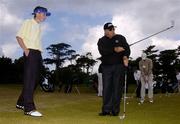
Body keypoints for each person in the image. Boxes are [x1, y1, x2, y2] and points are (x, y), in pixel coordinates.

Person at [16, 6, 51, 117]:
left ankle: (21, 102)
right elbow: (19, 37)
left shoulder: (38, 26)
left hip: (38, 54)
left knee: (36, 79)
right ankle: (29, 109)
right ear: (38, 13)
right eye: (44, 14)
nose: (45, 17)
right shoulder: (28, 22)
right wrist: (26, 50)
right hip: (30, 52)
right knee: (30, 80)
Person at [97, 22, 130, 116]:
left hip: (119, 66)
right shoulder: (101, 40)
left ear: (112, 30)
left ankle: (115, 111)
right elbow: (102, 51)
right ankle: (106, 110)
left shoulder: (121, 38)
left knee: (117, 88)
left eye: (108, 32)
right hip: (106, 67)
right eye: (105, 32)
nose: (106, 34)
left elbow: (127, 49)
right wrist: (114, 49)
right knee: (106, 88)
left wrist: (125, 57)